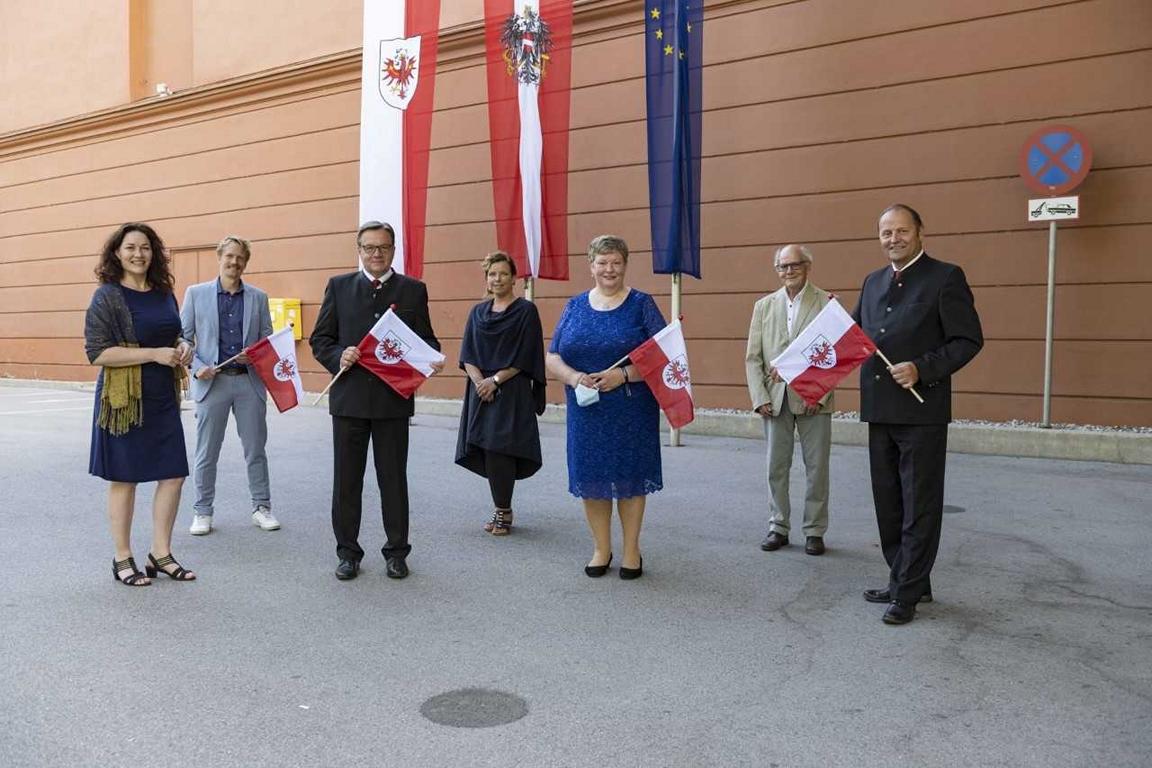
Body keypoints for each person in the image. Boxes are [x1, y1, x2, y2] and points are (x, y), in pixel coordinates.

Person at [853, 204, 983, 625]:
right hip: (879, 409)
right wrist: (803, 364)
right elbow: (852, 337)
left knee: (919, 504)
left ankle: (907, 592)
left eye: (901, 231)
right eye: (886, 232)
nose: (893, 238)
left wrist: (922, 367)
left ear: (920, 232)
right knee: (888, 502)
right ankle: (905, 577)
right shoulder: (872, 282)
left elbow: (967, 340)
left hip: (921, 411)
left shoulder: (946, 277)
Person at [310, 221, 442, 581]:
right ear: (360, 250)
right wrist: (340, 355)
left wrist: (431, 358)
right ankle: (348, 553)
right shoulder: (339, 287)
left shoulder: (413, 291)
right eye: (369, 248)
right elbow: (320, 339)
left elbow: (427, 342)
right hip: (349, 400)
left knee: (393, 481)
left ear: (393, 250)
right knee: (347, 481)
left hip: (392, 403)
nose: (376, 254)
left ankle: (397, 552)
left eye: (383, 247)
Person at [546, 235, 666, 580]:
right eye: (602, 262)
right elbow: (553, 356)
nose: (609, 269)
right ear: (592, 265)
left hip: (631, 410)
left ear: (625, 265)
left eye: (615, 262)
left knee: (630, 480)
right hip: (587, 411)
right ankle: (601, 547)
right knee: (592, 479)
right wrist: (573, 376)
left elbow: (664, 355)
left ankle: (631, 550)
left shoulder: (642, 305)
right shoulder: (574, 306)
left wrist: (624, 375)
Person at [85, 222, 196, 586]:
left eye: (145, 247)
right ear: (117, 253)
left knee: (174, 474)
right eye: (131, 247)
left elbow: (172, 332)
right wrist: (154, 354)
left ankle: (160, 553)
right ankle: (122, 558)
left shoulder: (164, 292)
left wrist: (182, 346)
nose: (139, 254)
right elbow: (97, 352)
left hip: (163, 396)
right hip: (123, 401)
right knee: (125, 477)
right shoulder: (107, 296)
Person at [180, 235, 279, 536]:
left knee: (255, 450)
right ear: (220, 256)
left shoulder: (258, 298)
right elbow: (183, 338)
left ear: (245, 262)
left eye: (240, 258)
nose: (234, 262)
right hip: (213, 384)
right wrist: (197, 369)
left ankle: (261, 507)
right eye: (230, 256)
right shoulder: (196, 295)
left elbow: (267, 340)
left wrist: (258, 355)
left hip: (248, 383)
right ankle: (202, 511)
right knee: (206, 451)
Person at [744, 244, 833, 557]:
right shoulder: (764, 306)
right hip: (775, 399)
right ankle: (778, 526)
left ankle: (814, 531)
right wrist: (759, 396)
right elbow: (753, 357)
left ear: (807, 266)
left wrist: (818, 394)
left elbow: (834, 355)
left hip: (814, 400)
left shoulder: (827, 303)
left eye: (795, 265)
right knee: (776, 467)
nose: (788, 271)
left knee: (817, 468)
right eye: (782, 267)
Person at [455, 251, 547, 535]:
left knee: (501, 450)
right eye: (492, 274)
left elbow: (526, 354)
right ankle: (500, 507)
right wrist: (480, 381)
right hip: (479, 390)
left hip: (510, 390)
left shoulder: (525, 311)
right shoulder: (477, 312)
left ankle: (503, 510)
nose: (498, 278)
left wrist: (495, 380)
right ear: (486, 278)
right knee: (485, 448)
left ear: (514, 278)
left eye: (503, 273)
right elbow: (468, 352)